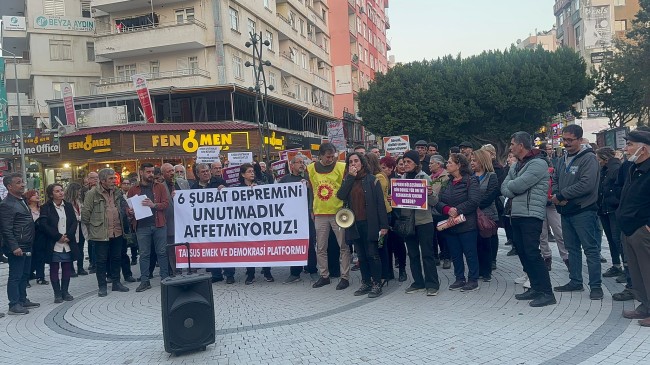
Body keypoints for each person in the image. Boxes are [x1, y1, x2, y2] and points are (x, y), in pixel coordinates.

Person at [502, 132, 556, 307]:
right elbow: (505, 187)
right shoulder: (517, 165)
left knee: (532, 253)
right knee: (523, 252)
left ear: (521, 145)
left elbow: (516, 185)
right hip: (516, 213)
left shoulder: (538, 164)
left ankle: (547, 292)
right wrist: (512, 187)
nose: (510, 147)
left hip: (531, 215)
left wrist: (512, 187)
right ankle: (535, 287)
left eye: (512, 144)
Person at [551, 124, 603, 300]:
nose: (566, 143)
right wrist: (558, 194)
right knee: (572, 248)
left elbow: (586, 184)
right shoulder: (562, 157)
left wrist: (563, 194)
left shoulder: (588, 159)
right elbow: (556, 178)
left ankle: (596, 286)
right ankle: (575, 281)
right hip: (566, 210)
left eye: (570, 140)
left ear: (580, 140)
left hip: (584, 210)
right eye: (564, 140)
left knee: (591, 249)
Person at [337, 152, 389, 298]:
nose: (354, 164)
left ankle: (377, 283)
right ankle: (365, 282)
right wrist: (350, 177)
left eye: (356, 161)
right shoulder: (349, 180)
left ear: (362, 163)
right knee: (361, 256)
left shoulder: (373, 180)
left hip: (370, 222)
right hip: (354, 223)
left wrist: (384, 225)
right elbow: (341, 195)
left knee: (372, 254)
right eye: (351, 162)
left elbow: (380, 204)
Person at [617, 130, 650, 325]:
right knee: (637, 273)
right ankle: (645, 306)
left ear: (643, 148)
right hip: (629, 228)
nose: (626, 149)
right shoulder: (632, 168)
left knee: (648, 270)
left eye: (630, 144)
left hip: (642, 229)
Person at [308, 143, 351, 290]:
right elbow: (310, 190)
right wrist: (311, 209)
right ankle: (324, 275)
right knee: (320, 246)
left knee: (343, 246)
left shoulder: (341, 166)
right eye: (327, 157)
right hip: (320, 212)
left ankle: (345, 277)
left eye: (332, 156)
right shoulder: (311, 168)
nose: (330, 159)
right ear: (320, 155)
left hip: (338, 212)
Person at [82, 169, 131, 297]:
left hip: (117, 231)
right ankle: (102, 286)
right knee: (101, 261)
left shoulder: (117, 192)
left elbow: (122, 207)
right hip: (100, 233)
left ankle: (116, 283)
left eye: (114, 178)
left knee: (116, 258)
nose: (114, 181)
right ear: (103, 180)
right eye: (111, 179)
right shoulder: (92, 194)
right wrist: (92, 230)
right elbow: (85, 215)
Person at [436, 153, 480, 292]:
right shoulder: (447, 182)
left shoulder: (470, 180)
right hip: (450, 224)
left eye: (449, 162)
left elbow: (474, 201)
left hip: (467, 224)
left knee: (470, 253)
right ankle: (459, 278)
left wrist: (457, 210)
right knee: (455, 253)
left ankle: (473, 279)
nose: (446, 165)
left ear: (459, 165)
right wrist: (447, 209)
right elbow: (439, 201)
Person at [399, 150, 440, 296]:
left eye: (409, 162)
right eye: (404, 162)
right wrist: (394, 200)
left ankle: (432, 284)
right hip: (408, 222)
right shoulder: (401, 179)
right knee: (413, 254)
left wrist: (430, 194)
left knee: (427, 254)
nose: (405, 165)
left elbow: (434, 202)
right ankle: (418, 282)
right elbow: (400, 201)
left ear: (416, 163)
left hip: (424, 222)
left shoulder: (425, 178)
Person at [0, 173, 40, 315]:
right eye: (18, 182)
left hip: (27, 243)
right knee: (15, 276)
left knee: (24, 274)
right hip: (17, 246)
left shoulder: (22, 200)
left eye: (22, 182)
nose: (23, 184)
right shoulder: (6, 204)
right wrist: (14, 246)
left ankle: (23, 299)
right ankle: (14, 304)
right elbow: (6, 228)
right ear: (9, 186)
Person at [127, 163, 170, 292]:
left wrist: (153, 205)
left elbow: (166, 204)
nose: (151, 174)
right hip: (142, 226)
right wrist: (129, 212)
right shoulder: (133, 189)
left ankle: (165, 279)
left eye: (152, 172)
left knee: (162, 253)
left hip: (159, 224)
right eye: (148, 172)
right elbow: (128, 208)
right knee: (144, 254)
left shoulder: (160, 187)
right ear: (141, 172)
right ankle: (145, 281)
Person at [191, 163, 233, 282]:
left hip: (222, 222)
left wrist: (225, 190)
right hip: (206, 224)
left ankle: (229, 275)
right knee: (211, 249)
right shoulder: (194, 188)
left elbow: (232, 198)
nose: (206, 173)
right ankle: (216, 275)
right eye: (203, 171)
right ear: (198, 174)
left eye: (207, 171)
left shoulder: (220, 182)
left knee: (225, 248)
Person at [279, 155, 318, 283]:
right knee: (294, 244)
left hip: (307, 215)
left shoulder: (308, 178)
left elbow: (317, 193)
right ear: (292, 165)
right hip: (291, 217)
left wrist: (309, 186)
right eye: (299, 162)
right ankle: (295, 273)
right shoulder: (285, 180)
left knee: (310, 243)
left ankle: (312, 270)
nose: (302, 164)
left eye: (303, 162)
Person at [39, 184, 79, 303]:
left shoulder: (68, 205)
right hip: (53, 242)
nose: (61, 193)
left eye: (61, 190)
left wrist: (68, 236)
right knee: (54, 268)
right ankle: (57, 293)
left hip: (67, 241)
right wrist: (58, 236)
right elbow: (44, 224)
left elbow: (73, 222)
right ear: (51, 194)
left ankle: (65, 291)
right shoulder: (46, 207)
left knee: (67, 266)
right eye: (57, 191)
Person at [238, 163, 274, 284]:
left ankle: (267, 271)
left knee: (264, 245)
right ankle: (251, 274)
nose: (252, 173)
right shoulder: (238, 188)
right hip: (246, 223)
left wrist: (258, 189)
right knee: (249, 248)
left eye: (252, 171)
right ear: (243, 174)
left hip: (261, 223)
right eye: (249, 171)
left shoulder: (261, 185)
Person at [471, 149, 499, 282]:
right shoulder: (470, 176)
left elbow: (490, 195)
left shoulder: (491, 176)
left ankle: (486, 271)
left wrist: (474, 204)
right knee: (474, 244)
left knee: (486, 244)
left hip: (487, 214)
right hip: (472, 216)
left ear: (482, 161)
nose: (472, 163)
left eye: (474, 160)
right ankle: (477, 270)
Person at [596, 147, 625, 279]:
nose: (598, 161)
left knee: (618, 239)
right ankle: (616, 265)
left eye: (599, 159)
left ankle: (627, 267)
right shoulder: (603, 170)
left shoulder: (616, 168)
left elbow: (617, 183)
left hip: (614, 209)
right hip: (604, 208)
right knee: (611, 240)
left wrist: (614, 161)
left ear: (605, 159)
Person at [365, 152, 393, 282]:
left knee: (382, 246)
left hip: (383, 214)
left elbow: (378, 198)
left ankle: (385, 273)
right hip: (379, 214)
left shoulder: (378, 177)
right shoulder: (378, 175)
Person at [380, 156, 408, 282]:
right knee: (387, 245)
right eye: (382, 166)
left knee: (399, 245)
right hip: (385, 217)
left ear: (391, 168)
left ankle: (402, 269)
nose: (383, 169)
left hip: (396, 218)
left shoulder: (397, 180)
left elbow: (405, 197)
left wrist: (395, 199)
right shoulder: (379, 178)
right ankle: (389, 271)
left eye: (385, 167)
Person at [481, 144, 505, 270]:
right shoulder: (481, 170)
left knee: (493, 233)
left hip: (493, 204)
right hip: (481, 206)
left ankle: (493, 259)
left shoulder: (498, 169)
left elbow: (497, 189)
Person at [428, 154, 451, 269]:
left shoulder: (446, 177)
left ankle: (447, 257)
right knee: (432, 236)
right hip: (430, 211)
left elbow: (444, 195)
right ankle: (435, 257)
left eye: (431, 163)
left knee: (443, 236)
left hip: (441, 211)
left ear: (438, 164)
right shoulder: (429, 177)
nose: (429, 165)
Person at [63, 183, 88, 277]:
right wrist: (79, 217)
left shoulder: (80, 201)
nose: (79, 193)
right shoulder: (66, 202)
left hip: (81, 227)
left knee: (80, 248)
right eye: (78, 191)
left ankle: (80, 267)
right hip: (71, 228)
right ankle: (71, 269)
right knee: (71, 248)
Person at [25, 190, 48, 285]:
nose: (37, 196)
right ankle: (27, 277)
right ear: (29, 198)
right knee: (29, 257)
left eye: (38, 194)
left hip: (40, 236)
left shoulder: (42, 209)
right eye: (34, 195)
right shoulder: (25, 209)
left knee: (41, 256)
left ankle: (40, 277)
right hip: (29, 236)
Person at [81, 171, 99, 274]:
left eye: (97, 177)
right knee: (90, 242)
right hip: (88, 221)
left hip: (97, 221)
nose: (95, 179)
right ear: (88, 179)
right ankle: (92, 263)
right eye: (92, 178)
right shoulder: (84, 191)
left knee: (95, 243)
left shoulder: (100, 190)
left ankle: (96, 263)